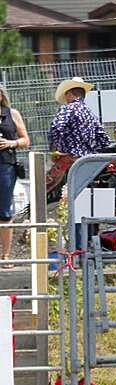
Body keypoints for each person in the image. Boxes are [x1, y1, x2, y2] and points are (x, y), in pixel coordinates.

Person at [47, 77, 112, 202]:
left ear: (69, 93)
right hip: (87, 161)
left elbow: (55, 127)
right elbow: (104, 139)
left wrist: (56, 148)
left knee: (52, 192)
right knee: (83, 196)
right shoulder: (90, 113)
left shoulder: (68, 108)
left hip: (68, 159)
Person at [0, 86, 29, 270]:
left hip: (5, 166)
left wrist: (11, 143)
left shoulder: (12, 114)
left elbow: (26, 140)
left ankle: (6, 255)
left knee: (4, 211)